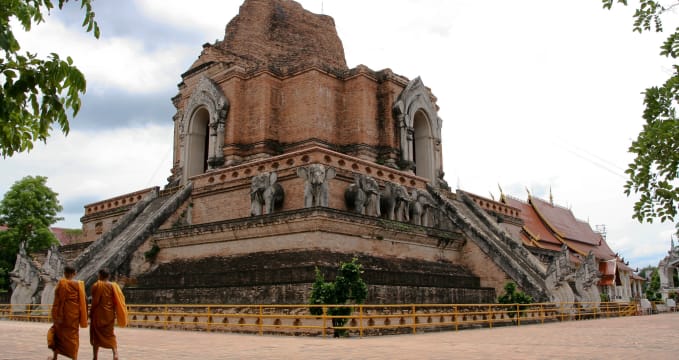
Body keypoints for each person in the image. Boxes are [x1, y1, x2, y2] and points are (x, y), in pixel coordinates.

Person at [48, 265, 88, 359]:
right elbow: (84, 299)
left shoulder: (61, 283)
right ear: (74, 274)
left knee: (58, 334)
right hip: (74, 314)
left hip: (62, 314)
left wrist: (55, 313)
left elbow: (57, 299)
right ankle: (74, 357)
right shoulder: (79, 284)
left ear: (64, 273)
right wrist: (84, 313)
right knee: (73, 335)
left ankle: (55, 356)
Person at [89, 269, 127, 360]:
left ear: (100, 276)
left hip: (98, 314)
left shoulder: (96, 285)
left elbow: (95, 302)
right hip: (109, 314)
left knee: (96, 335)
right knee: (110, 334)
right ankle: (115, 353)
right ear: (108, 276)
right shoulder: (114, 286)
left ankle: (95, 357)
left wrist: (91, 312)